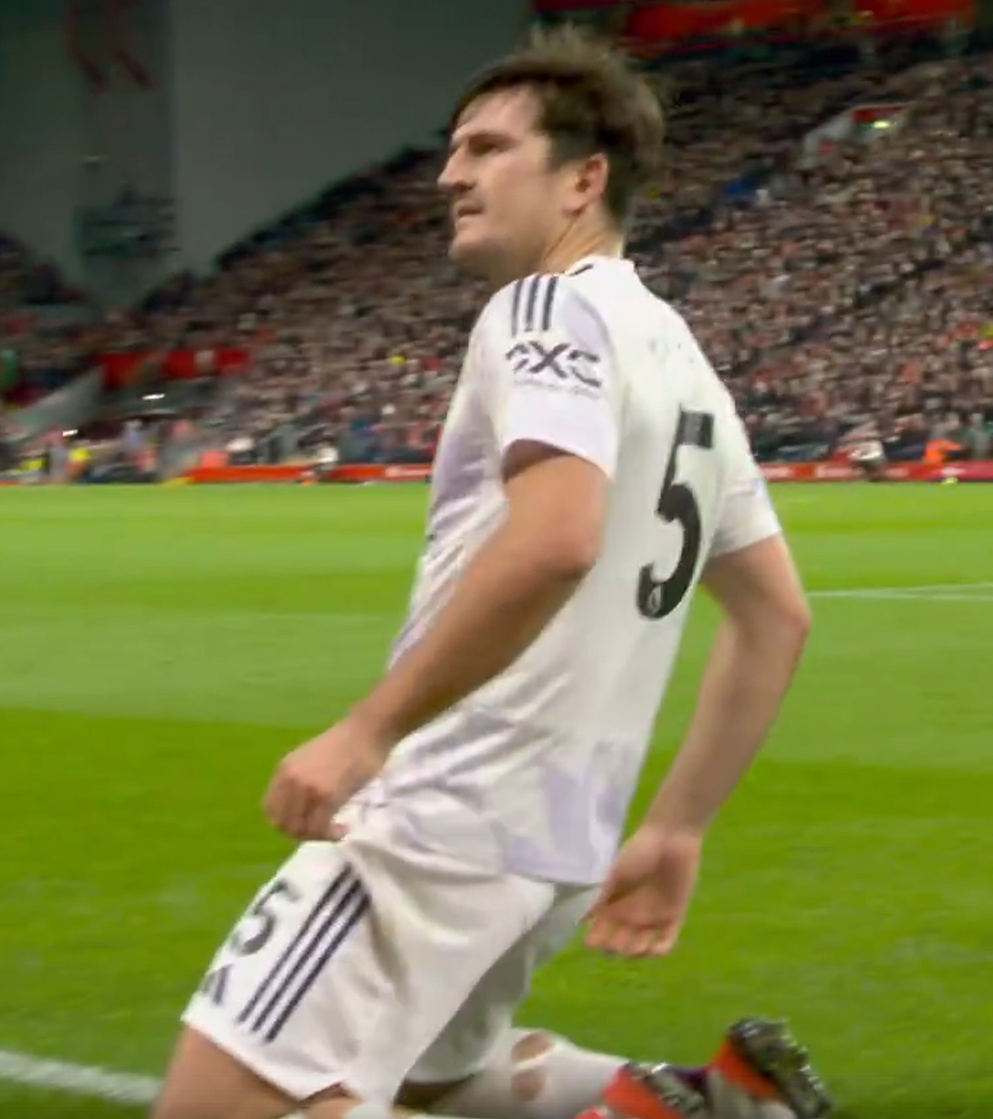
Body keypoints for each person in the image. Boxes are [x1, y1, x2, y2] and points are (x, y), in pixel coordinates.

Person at [150, 25, 822, 1119]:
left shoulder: (546, 307)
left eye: (486, 147)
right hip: (560, 836)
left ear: (582, 181)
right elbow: (777, 617)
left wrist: (369, 728)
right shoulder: (682, 359)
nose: (450, 174)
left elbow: (558, 537)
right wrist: (676, 824)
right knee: (436, 1073)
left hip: (447, 807)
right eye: (454, 149)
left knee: (218, 1105)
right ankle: (698, 1103)